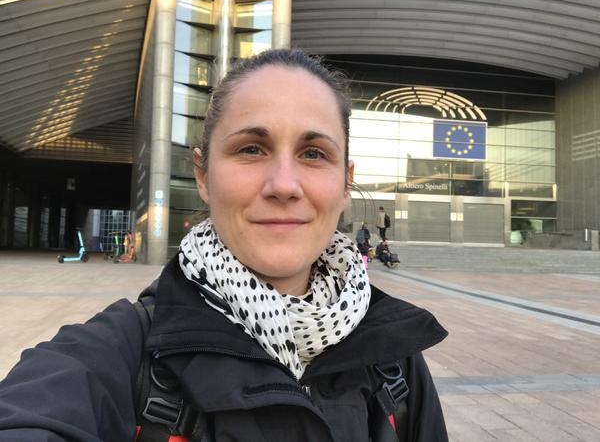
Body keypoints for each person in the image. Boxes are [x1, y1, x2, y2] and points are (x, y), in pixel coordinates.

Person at [0, 49, 448, 441]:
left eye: (314, 154)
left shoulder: (395, 360)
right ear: (202, 175)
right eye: (252, 149)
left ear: (345, 181)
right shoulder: (116, 355)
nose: (284, 185)